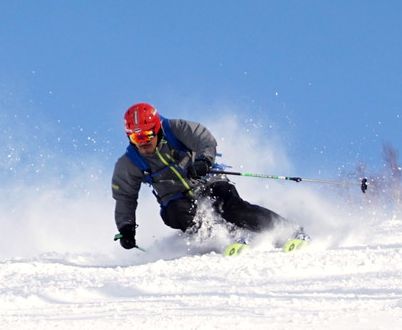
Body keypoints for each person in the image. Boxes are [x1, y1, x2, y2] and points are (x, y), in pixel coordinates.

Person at [112, 102, 299, 249]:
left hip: (206, 181)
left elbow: (204, 140)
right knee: (175, 213)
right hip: (177, 197)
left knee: (231, 207)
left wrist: (203, 161)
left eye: (146, 135)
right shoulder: (129, 163)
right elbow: (125, 197)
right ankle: (224, 239)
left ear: (157, 128)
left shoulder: (175, 129)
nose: (143, 143)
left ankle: (288, 231)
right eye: (136, 138)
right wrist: (126, 228)